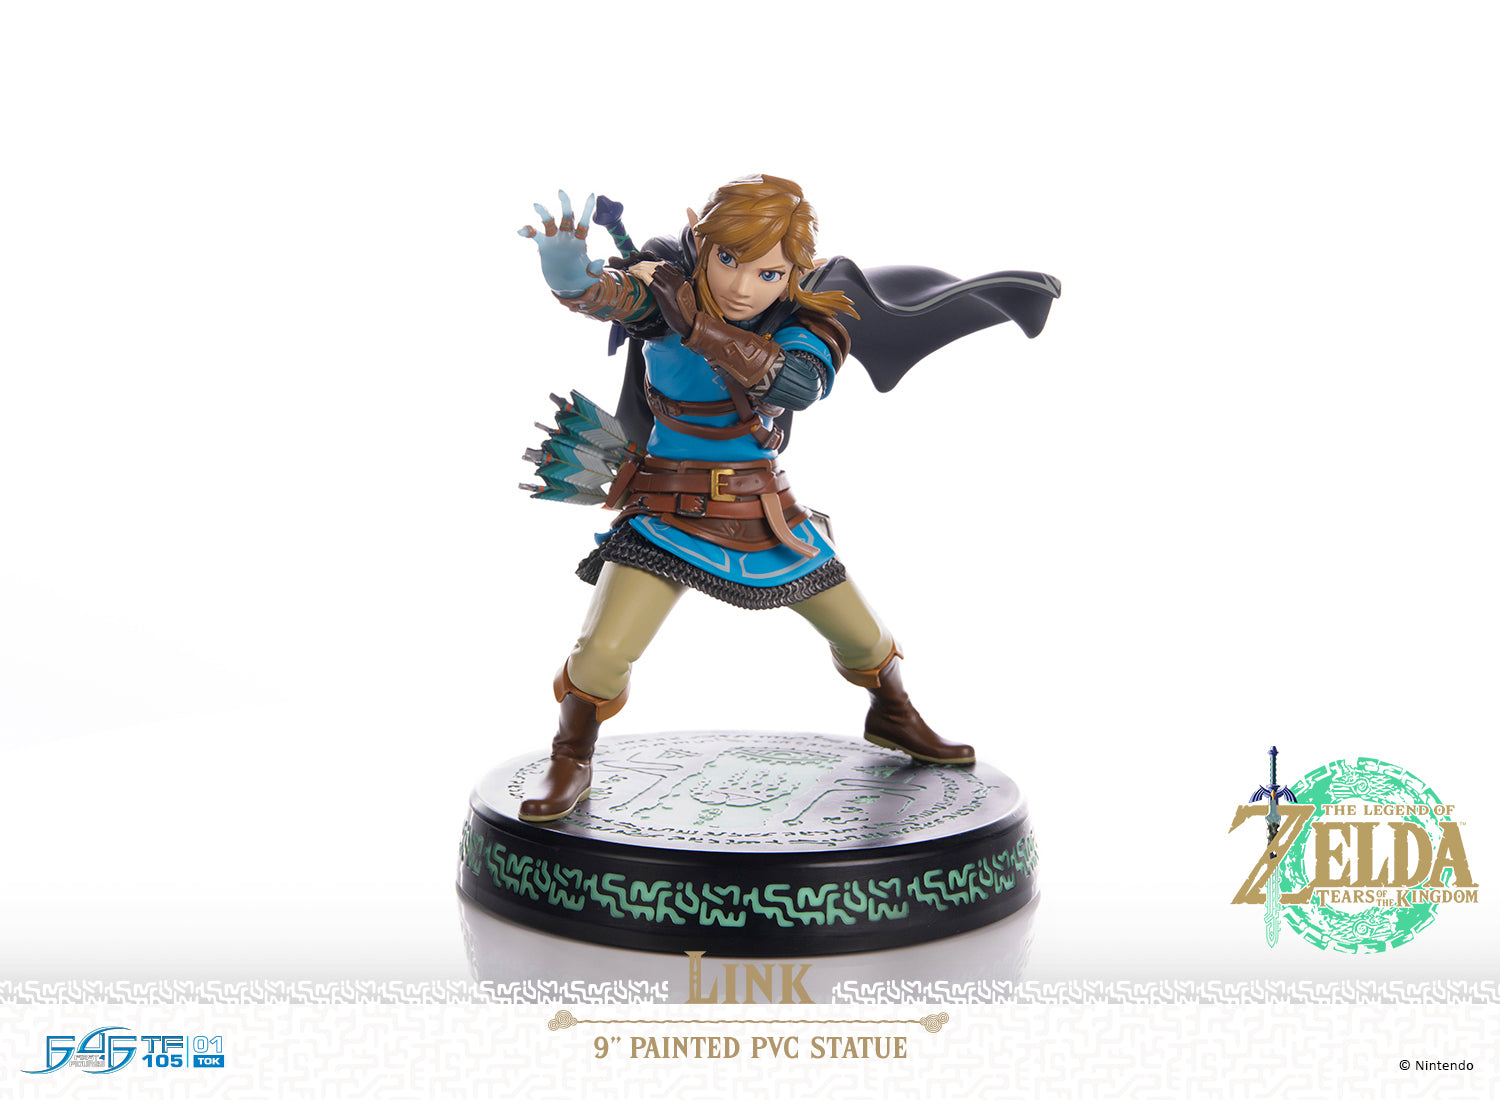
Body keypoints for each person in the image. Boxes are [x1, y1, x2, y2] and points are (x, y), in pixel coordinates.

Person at [515, 174, 996, 823]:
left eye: (768, 273)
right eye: (729, 260)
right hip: (667, 511)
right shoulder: (666, 297)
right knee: (601, 652)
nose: (743, 287)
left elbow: (793, 386)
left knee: (866, 638)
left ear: (794, 274)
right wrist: (571, 275)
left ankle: (893, 714)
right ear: (702, 243)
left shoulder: (808, 322)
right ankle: (571, 755)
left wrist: (698, 328)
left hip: (765, 514)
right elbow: (612, 295)